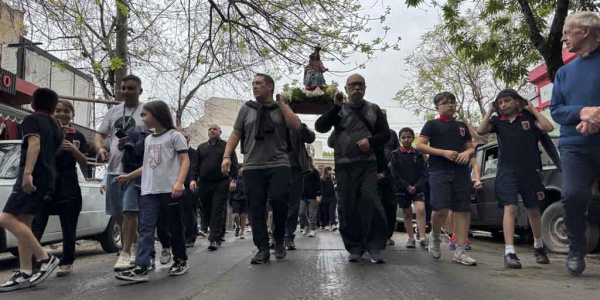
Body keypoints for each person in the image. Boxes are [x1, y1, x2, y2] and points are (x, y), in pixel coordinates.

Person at [222, 73, 301, 264]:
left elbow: (296, 125)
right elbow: (236, 133)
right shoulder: (246, 109)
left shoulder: (281, 108)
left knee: (279, 201)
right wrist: (226, 156)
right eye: (253, 84)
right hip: (252, 166)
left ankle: (279, 237)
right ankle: (262, 248)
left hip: (279, 164)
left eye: (259, 84)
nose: (254, 87)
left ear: (270, 87)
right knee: (255, 208)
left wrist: (282, 104)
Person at [315, 74, 390, 264]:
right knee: (347, 205)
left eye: (360, 85)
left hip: (368, 164)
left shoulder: (374, 109)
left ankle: (375, 246)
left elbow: (386, 134)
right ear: (346, 89)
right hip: (343, 165)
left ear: (365, 88)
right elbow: (320, 127)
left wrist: (370, 142)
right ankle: (355, 247)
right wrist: (335, 107)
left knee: (370, 200)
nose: (356, 88)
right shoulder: (338, 109)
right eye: (352, 85)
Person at [115, 100, 190, 282]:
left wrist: (179, 182)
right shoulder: (148, 139)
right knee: (146, 227)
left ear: (157, 115)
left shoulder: (174, 136)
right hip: (149, 191)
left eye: (145, 114)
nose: (143, 118)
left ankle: (180, 260)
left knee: (174, 226)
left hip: (170, 190)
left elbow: (185, 160)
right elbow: (148, 165)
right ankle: (141, 267)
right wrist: (129, 176)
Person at [478, 89, 553, 269]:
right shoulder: (497, 121)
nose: (503, 105)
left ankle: (539, 246)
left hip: (530, 169)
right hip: (506, 170)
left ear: (517, 102)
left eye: (507, 101)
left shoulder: (528, 117)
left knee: (533, 209)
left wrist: (533, 109)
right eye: (500, 102)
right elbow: (481, 131)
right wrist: (490, 111)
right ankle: (510, 252)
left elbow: (548, 127)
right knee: (509, 208)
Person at [550, 11, 600, 277]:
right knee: (572, 196)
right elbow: (556, 110)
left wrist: (597, 115)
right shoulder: (564, 72)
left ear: (586, 32)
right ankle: (576, 249)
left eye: (567, 32)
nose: (563, 38)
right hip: (574, 146)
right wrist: (582, 112)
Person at [0, 88, 63, 292]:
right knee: (24, 223)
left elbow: (34, 145)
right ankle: (25, 271)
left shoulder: (31, 119)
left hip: (33, 175)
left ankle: (45, 258)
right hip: (48, 176)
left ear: (33, 104)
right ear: (54, 108)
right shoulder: (56, 125)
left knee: (5, 218)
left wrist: (27, 174)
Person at [416, 91, 476, 266]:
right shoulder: (432, 125)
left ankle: (460, 250)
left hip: (461, 171)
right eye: (445, 103)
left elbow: (471, 148)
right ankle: (434, 235)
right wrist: (442, 152)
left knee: (462, 209)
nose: (449, 105)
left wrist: (466, 153)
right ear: (437, 107)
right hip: (439, 171)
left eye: (452, 102)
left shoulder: (461, 126)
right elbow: (420, 145)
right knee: (441, 209)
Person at [31, 100, 88, 277]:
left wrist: (72, 148)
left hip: (69, 186)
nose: (62, 114)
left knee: (68, 227)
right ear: (52, 113)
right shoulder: (43, 133)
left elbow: (84, 162)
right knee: (36, 226)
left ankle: (67, 261)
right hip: (46, 186)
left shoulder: (78, 135)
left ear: (72, 115)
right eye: (58, 111)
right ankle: (34, 263)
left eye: (66, 111)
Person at [94, 75, 146, 271]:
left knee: (130, 211)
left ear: (139, 90)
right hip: (113, 170)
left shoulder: (146, 111)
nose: (125, 91)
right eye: (123, 88)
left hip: (135, 170)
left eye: (131, 88)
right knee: (117, 214)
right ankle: (136, 244)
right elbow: (100, 134)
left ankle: (126, 252)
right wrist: (100, 148)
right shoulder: (114, 111)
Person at [190, 125, 238, 251]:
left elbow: (234, 163)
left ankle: (213, 239)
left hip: (221, 182)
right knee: (207, 210)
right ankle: (218, 232)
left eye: (215, 129)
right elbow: (195, 165)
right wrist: (193, 179)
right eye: (210, 129)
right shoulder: (201, 148)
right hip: (204, 183)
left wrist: (233, 180)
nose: (212, 131)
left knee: (217, 209)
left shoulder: (226, 146)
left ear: (220, 132)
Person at [391, 127, 427, 249]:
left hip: (417, 188)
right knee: (406, 213)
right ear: (400, 139)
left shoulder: (419, 155)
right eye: (403, 137)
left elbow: (424, 173)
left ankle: (423, 237)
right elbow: (395, 174)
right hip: (402, 189)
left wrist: (416, 186)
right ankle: (411, 238)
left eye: (408, 137)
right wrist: (406, 186)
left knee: (420, 209)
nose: (406, 140)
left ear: (413, 138)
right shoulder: (395, 154)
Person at [284, 123, 315, 250]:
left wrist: (301, 126)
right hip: (276, 168)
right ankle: (277, 236)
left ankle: (288, 236)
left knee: (293, 205)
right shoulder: (271, 122)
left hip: (295, 168)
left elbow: (310, 137)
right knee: (276, 203)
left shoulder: (296, 125)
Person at [380, 109, 400, 246]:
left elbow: (398, 151)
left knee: (390, 205)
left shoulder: (392, 134)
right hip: (373, 174)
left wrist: (392, 162)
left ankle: (387, 235)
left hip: (389, 176)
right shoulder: (368, 133)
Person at [182, 131, 200, 247]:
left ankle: (190, 237)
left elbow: (195, 168)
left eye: (186, 137)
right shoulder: (175, 153)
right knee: (179, 214)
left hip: (190, 186)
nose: (183, 139)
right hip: (176, 186)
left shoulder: (193, 153)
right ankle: (182, 236)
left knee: (190, 213)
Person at [302, 160, 321, 237]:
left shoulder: (314, 171)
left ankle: (312, 229)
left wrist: (318, 194)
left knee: (312, 214)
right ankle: (307, 225)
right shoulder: (301, 170)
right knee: (301, 213)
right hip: (302, 196)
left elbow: (318, 183)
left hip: (313, 196)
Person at [230, 165, 247, 239]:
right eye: (241, 168)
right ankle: (237, 226)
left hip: (244, 199)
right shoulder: (234, 179)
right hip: (236, 199)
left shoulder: (246, 178)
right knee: (236, 215)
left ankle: (242, 232)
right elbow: (231, 191)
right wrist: (230, 201)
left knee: (243, 216)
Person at [320, 166, 337, 232]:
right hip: (325, 197)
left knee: (332, 210)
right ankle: (326, 224)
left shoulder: (332, 178)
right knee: (325, 211)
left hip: (332, 196)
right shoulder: (322, 179)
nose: (330, 171)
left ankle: (333, 224)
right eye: (329, 170)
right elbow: (321, 189)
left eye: (331, 170)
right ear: (326, 171)